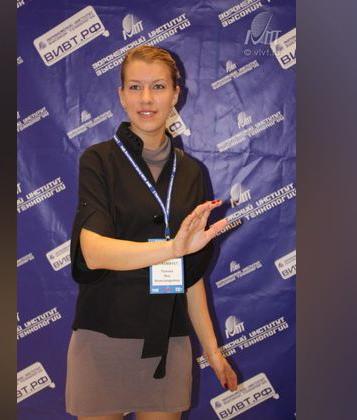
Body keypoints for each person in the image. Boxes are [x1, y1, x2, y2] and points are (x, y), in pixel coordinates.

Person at [66, 46, 238, 420]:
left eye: (158, 86)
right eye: (135, 87)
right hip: (103, 336)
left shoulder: (191, 173)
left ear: (176, 94)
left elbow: (189, 274)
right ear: (121, 95)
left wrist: (212, 351)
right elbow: (93, 251)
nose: (146, 98)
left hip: (168, 339)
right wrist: (173, 248)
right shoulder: (98, 161)